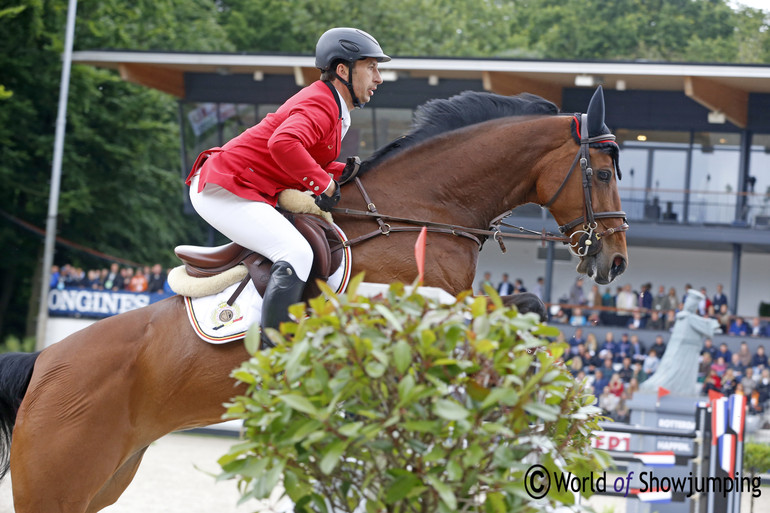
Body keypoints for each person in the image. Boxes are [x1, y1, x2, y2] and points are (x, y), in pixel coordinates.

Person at [185, 28, 390, 346]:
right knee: (294, 252)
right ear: (342, 70)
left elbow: (307, 158)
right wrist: (323, 184)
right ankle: (272, 359)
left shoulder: (332, 107)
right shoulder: (322, 105)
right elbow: (284, 143)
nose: (378, 78)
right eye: (372, 67)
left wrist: (355, 172)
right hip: (223, 187)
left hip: (244, 186)